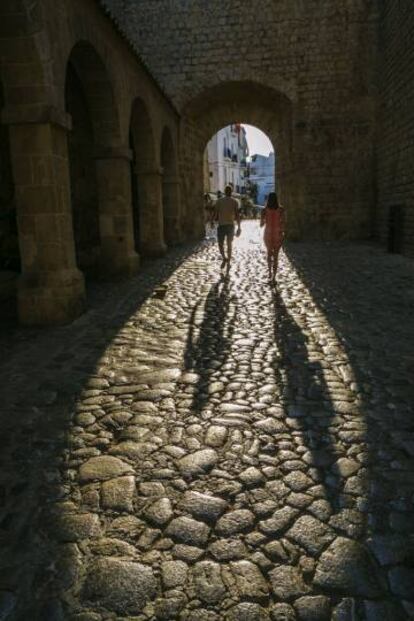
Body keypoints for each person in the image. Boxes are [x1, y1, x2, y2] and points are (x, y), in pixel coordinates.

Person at [214, 185, 241, 272]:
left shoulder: (219, 201)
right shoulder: (234, 202)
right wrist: (239, 227)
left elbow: (215, 213)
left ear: (225, 192)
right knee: (229, 244)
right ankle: (228, 259)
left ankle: (224, 257)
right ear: (231, 192)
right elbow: (237, 215)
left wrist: (211, 221)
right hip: (230, 225)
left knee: (220, 244)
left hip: (221, 225)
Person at [260, 191, 285, 283]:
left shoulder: (264, 210)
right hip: (277, 234)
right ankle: (274, 277)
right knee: (276, 256)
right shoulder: (281, 209)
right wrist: (282, 232)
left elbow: (261, 224)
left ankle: (270, 273)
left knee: (269, 253)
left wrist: (263, 219)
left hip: (268, 234)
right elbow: (283, 223)